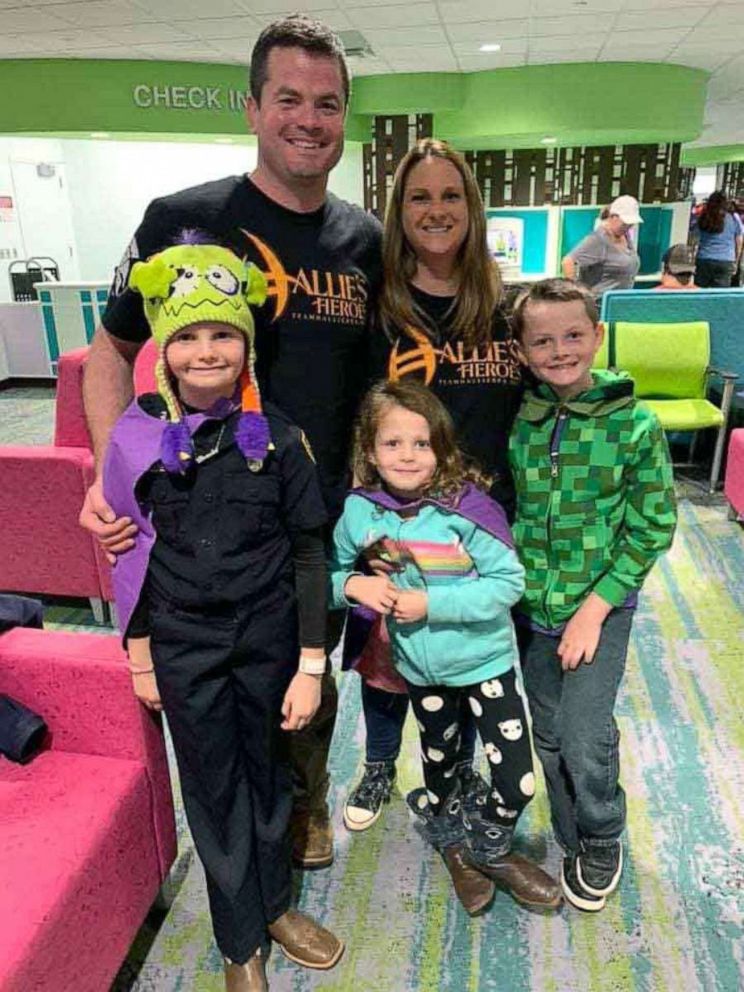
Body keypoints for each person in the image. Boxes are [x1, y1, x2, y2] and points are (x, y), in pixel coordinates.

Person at [78, 14, 383, 870]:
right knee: (222, 695)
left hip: (313, 511)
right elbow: (112, 350)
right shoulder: (183, 219)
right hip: (197, 515)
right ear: (251, 107)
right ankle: (244, 848)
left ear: (344, 116)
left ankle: (310, 803)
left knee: (310, 673)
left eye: (328, 103)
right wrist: (112, 476)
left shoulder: (363, 240)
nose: (308, 119)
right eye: (288, 97)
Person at [103, 241, 344, 991]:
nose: (206, 350)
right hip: (183, 642)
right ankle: (241, 941)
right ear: (164, 351)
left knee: (271, 776)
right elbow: (128, 552)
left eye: (222, 333)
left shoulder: (279, 436)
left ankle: (273, 905)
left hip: (270, 638)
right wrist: (141, 655)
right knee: (212, 786)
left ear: (245, 343)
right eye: (187, 336)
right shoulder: (136, 435)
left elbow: (311, 553)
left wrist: (312, 663)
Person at [342, 138, 524, 849]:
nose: (436, 209)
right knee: (386, 650)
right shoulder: (379, 309)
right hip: (398, 511)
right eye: (420, 197)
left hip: (479, 519)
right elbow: (356, 409)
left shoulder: (504, 309)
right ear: (398, 210)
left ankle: (461, 776)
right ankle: (381, 763)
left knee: (466, 649)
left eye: (451, 196)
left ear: (472, 208)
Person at [329, 380, 562, 914]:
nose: (407, 456)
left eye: (421, 443)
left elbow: (508, 583)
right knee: (440, 765)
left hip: (486, 664)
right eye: (392, 444)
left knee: (517, 778)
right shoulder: (359, 512)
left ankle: (491, 846)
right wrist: (352, 585)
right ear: (370, 450)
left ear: (442, 449)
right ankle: (452, 840)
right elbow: (330, 573)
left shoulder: (467, 510)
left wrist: (434, 606)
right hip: (422, 673)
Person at [509, 278, 677, 912]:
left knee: (582, 732)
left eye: (574, 336)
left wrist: (596, 606)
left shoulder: (633, 424)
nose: (559, 351)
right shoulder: (522, 422)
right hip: (533, 609)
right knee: (546, 731)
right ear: (523, 352)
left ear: (597, 336)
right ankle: (569, 822)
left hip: (600, 608)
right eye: (543, 341)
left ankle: (603, 832)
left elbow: (653, 525)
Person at [562, 195, 642, 301]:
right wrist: (577, 295)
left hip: (619, 305)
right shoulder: (597, 240)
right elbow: (568, 262)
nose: (628, 226)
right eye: (625, 223)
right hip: (599, 305)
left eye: (631, 224)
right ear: (613, 217)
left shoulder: (625, 236)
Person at [690, 191, 743, 288]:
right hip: (725, 261)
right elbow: (739, 242)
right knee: (720, 298)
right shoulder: (733, 218)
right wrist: (736, 261)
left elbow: (695, 240)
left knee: (700, 294)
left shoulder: (703, 217)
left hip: (704, 259)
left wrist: (693, 258)